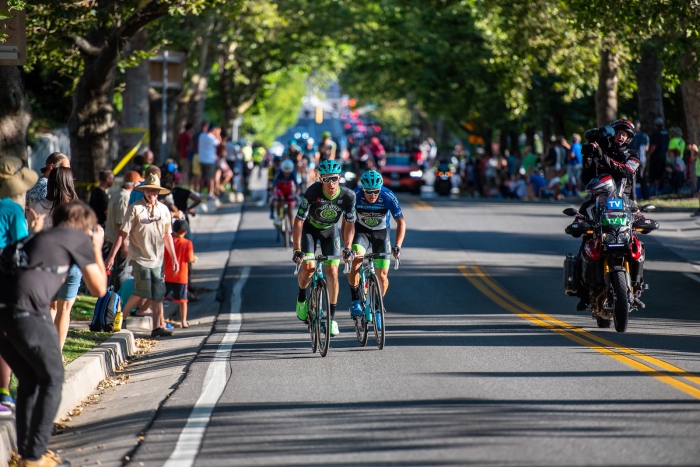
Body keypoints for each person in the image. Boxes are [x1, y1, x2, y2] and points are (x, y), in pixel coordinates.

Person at [0, 200, 107, 467]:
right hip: (27, 315)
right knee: (52, 378)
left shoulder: (40, 238)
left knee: (28, 378)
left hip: (3, 313)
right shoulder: (76, 238)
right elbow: (98, 289)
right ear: (87, 226)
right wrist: (95, 246)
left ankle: (26, 453)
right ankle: (34, 456)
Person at [573, 119, 640, 311]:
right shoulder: (602, 152)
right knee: (585, 243)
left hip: (625, 205)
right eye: (618, 133)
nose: (620, 136)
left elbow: (624, 172)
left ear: (628, 138)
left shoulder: (633, 156)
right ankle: (583, 292)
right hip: (599, 204)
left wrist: (602, 157)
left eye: (624, 134)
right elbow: (587, 180)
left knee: (637, 246)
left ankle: (637, 289)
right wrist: (588, 160)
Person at [105, 173, 179, 338]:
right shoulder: (135, 208)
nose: (151, 194)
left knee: (158, 294)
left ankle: (157, 327)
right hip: (139, 257)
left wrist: (174, 258)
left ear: (158, 192)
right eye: (148, 191)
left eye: (154, 191)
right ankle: (120, 319)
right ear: (144, 191)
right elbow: (122, 234)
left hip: (157, 259)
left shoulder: (164, 210)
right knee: (142, 291)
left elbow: (167, 236)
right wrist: (111, 256)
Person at [292, 160, 356, 337]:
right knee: (308, 268)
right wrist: (297, 249)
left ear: (339, 178)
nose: (331, 183)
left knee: (333, 272)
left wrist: (348, 247)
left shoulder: (349, 196)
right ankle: (302, 297)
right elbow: (298, 221)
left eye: (334, 179)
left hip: (330, 232)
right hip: (309, 230)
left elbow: (349, 223)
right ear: (320, 179)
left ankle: (332, 319)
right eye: (326, 179)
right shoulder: (312, 192)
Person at [0, 156, 43, 415]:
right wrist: (36, 230)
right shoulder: (12, 210)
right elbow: (21, 247)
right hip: (4, 278)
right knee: (4, 336)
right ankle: (3, 392)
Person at [32, 167, 83, 353]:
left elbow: (35, 234)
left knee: (49, 306)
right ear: (70, 183)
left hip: (47, 263)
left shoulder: (40, 206)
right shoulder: (77, 208)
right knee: (65, 309)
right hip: (71, 263)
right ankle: (58, 352)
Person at [347, 170, 405, 327]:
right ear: (363, 189)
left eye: (376, 192)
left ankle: (378, 308)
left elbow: (401, 222)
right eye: (369, 192)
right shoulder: (355, 195)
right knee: (356, 261)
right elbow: (348, 223)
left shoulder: (388, 196)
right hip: (362, 233)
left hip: (381, 234)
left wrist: (397, 245)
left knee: (383, 276)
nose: (372, 195)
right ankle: (355, 300)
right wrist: (347, 247)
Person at [105, 171, 140, 291]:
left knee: (116, 271)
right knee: (122, 272)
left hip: (111, 238)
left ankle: (112, 298)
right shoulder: (124, 197)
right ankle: (119, 300)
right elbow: (121, 223)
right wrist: (125, 246)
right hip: (119, 241)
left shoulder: (116, 193)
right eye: (139, 182)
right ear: (135, 184)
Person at [164, 219, 197, 328]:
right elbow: (189, 258)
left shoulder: (169, 242)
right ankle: (183, 322)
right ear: (185, 232)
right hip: (181, 277)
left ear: (173, 230)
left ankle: (161, 320)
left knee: (161, 298)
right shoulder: (188, 243)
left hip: (167, 275)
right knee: (183, 300)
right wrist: (194, 259)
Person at [271, 159, 299, 229]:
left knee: (290, 208)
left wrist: (296, 195)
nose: (286, 174)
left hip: (288, 189)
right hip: (280, 189)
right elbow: (273, 186)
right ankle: (278, 216)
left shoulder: (294, 173)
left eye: (288, 173)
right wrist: (272, 194)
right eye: (284, 173)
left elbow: (297, 186)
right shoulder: (278, 172)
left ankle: (292, 228)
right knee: (279, 197)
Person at [645, 117, 669, 196]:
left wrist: (648, 154)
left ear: (655, 125)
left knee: (654, 174)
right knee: (661, 173)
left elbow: (653, 146)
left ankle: (654, 190)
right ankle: (659, 189)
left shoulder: (656, 133)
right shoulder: (666, 133)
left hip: (656, 157)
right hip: (663, 156)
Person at [198, 124, 221, 200]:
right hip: (210, 160)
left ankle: (200, 193)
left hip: (201, 159)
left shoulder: (202, 136)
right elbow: (220, 143)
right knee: (210, 178)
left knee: (202, 177)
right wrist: (217, 134)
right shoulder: (212, 138)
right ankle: (209, 194)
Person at [628, 122, 649, 200]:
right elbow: (647, 148)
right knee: (643, 178)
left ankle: (633, 197)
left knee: (633, 179)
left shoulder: (631, 136)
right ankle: (646, 196)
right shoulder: (645, 135)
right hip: (642, 158)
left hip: (633, 159)